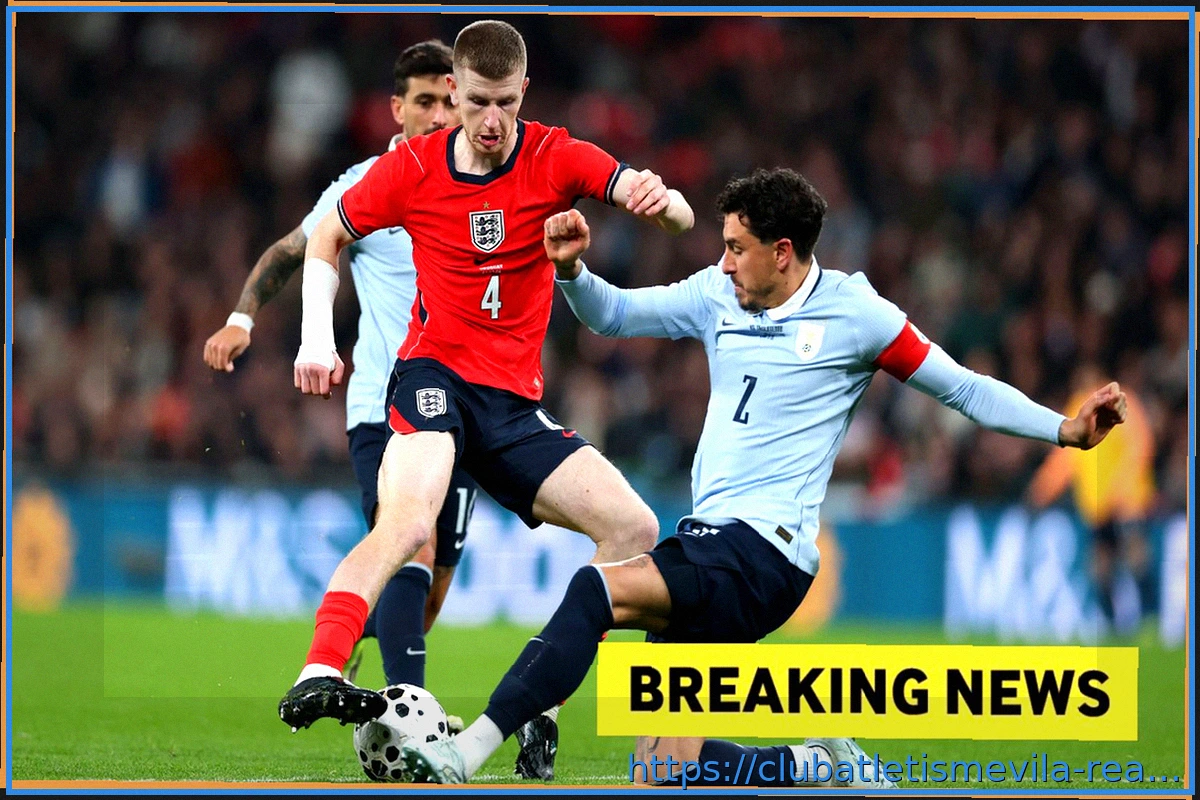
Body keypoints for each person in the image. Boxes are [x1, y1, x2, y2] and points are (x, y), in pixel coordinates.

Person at [398, 168, 1128, 787]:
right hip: (711, 543)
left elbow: (962, 387)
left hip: (763, 554)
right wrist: (572, 273)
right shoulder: (719, 295)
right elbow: (613, 316)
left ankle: (469, 751)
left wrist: (1063, 430)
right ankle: (815, 764)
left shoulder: (856, 315)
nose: (723, 264)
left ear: (782, 253)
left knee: (598, 588)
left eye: (736, 248)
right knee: (662, 769)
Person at [277, 19, 695, 782]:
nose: (492, 120)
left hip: (510, 406)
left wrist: (659, 200)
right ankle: (320, 668)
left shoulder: (555, 155)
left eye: (506, 102)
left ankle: (539, 705)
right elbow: (326, 237)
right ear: (453, 91)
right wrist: (314, 339)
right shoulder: (412, 168)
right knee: (409, 523)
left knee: (634, 528)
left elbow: (683, 219)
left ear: (524, 92)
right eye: (476, 102)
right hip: (433, 380)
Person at [204, 40, 476, 726]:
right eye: (424, 101)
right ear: (397, 109)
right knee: (411, 539)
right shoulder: (366, 183)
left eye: (448, 101)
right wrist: (241, 319)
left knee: (430, 591)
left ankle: (349, 637)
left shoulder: (480, 180)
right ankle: (410, 711)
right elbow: (289, 252)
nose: (440, 115)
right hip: (384, 405)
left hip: (469, 406)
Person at [1027, 361, 1155, 636]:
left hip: (1126, 503)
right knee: (1101, 568)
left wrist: (1119, 490)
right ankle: (1114, 629)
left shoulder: (1122, 403)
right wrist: (1040, 491)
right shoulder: (1078, 407)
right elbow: (1064, 461)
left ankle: (1150, 623)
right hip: (1098, 508)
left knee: (1135, 557)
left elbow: (1140, 448)